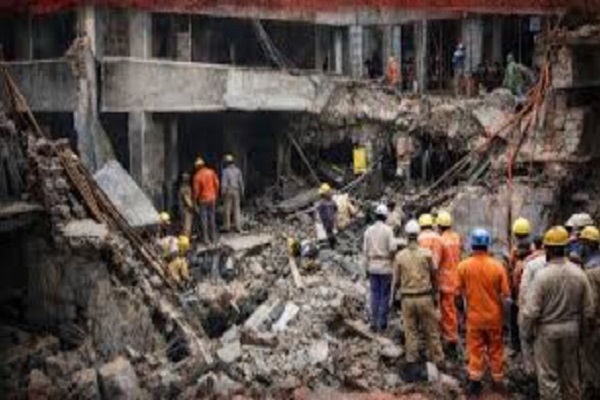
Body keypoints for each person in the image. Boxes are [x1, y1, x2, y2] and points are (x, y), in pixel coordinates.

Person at [521, 226, 595, 400]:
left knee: (549, 379)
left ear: (547, 249)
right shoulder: (579, 274)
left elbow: (531, 311)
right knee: (571, 377)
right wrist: (583, 336)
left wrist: (527, 333)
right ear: (565, 248)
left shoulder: (541, 277)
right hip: (572, 331)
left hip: (547, 333)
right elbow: (589, 310)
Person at [457, 228, 511, 396]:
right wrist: (505, 321)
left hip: (474, 318)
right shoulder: (498, 266)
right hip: (494, 318)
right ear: (488, 245)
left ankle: (475, 383)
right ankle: (498, 381)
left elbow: (457, 295)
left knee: (475, 350)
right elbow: (505, 295)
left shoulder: (463, 266)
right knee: (496, 349)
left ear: (472, 244)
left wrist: (462, 315)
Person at [391, 219, 444, 381]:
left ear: (406, 236)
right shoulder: (427, 254)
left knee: (411, 333)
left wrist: (392, 299)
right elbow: (434, 276)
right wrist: (436, 295)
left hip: (408, 299)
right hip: (425, 297)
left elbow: (396, 281)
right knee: (431, 331)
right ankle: (439, 361)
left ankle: (413, 364)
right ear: (418, 235)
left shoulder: (400, 256)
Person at [363, 204, 395, 332]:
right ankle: (382, 323)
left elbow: (365, 251)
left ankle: (373, 322)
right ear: (385, 216)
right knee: (384, 295)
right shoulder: (388, 230)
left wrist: (366, 268)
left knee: (374, 295)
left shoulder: (368, 231)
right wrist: (391, 260)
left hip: (372, 266)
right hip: (385, 266)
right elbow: (392, 249)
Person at [517, 235, 545, 374]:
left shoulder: (530, 263)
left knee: (526, 338)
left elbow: (523, 288)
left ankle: (530, 370)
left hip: (531, 307)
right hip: (550, 312)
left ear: (534, 246)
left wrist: (522, 309)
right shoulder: (554, 261)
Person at [436, 210, 461, 358]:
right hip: (456, 278)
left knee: (447, 310)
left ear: (439, 226)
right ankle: (453, 333)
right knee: (453, 309)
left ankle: (451, 339)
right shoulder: (456, 237)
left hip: (445, 281)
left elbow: (437, 262)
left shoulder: (441, 241)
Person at [579, 226, 600, 399]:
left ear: (588, 244)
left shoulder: (591, 271)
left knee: (591, 359)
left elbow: (591, 304)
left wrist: (589, 324)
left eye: (583, 243)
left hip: (595, 324)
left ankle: (593, 390)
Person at [509, 217, 533, 354]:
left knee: (515, 320)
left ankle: (516, 345)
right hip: (532, 291)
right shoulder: (534, 247)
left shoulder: (515, 251)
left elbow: (512, 268)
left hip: (519, 291)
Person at [192, 157, 220, 245]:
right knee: (212, 218)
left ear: (197, 167)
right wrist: (215, 194)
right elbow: (217, 184)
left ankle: (206, 239)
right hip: (212, 198)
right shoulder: (211, 172)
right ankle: (213, 238)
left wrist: (194, 201)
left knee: (204, 220)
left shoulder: (197, 176)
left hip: (203, 200)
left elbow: (196, 191)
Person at [221, 154, 244, 233]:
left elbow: (224, 183)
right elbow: (241, 182)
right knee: (237, 209)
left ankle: (227, 227)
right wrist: (242, 192)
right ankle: (238, 227)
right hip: (236, 190)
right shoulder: (238, 170)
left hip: (228, 190)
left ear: (226, 162)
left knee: (227, 209)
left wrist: (222, 193)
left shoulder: (225, 171)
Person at [316, 183, 338, 249]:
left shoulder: (332, 201)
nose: (330, 193)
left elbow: (336, 209)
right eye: (329, 192)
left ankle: (333, 244)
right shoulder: (322, 203)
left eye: (330, 192)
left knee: (332, 233)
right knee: (329, 234)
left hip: (332, 222)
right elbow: (319, 214)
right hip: (326, 223)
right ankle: (331, 245)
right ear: (324, 194)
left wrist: (335, 217)